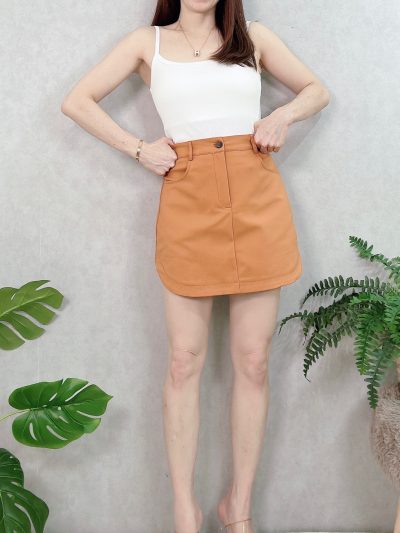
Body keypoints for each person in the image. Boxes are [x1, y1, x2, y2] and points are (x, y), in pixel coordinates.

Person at [61, 1, 330, 531]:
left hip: (256, 201)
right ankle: (185, 511)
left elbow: (316, 90)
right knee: (183, 362)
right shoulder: (147, 44)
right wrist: (138, 148)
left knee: (253, 361)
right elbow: (76, 101)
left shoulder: (255, 38)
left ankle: (238, 510)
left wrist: (281, 115)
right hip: (188, 203)